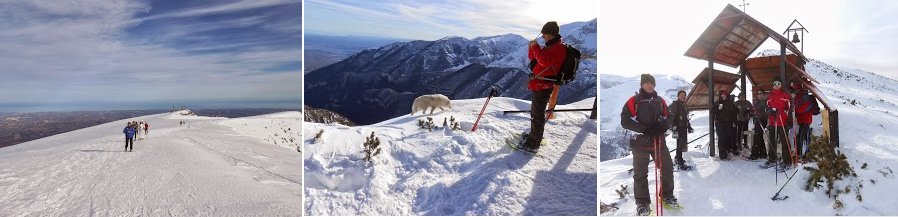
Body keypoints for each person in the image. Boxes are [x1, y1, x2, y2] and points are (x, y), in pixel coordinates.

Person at [621, 74, 678, 215]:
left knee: (667, 168)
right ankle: (642, 203)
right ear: (641, 85)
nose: (649, 85)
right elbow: (625, 120)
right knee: (640, 174)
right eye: (646, 83)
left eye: (651, 83)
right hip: (640, 144)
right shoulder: (633, 101)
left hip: (658, 142)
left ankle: (667, 196)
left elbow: (669, 115)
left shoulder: (660, 101)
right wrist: (645, 129)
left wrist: (664, 126)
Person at [517, 21, 567, 154]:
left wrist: (536, 47)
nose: (542, 36)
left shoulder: (558, 48)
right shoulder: (550, 46)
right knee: (535, 113)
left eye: (544, 34)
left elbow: (544, 61)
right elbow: (534, 58)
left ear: (549, 34)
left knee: (537, 115)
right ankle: (534, 137)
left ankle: (533, 144)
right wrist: (532, 48)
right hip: (540, 83)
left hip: (544, 85)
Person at [762, 81, 793, 170]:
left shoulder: (786, 95)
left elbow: (790, 108)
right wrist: (770, 111)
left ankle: (787, 161)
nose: (775, 85)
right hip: (773, 122)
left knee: (784, 142)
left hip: (783, 122)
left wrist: (787, 117)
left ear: (781, 85)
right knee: (772, 142)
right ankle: (772, 159)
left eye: (778, 83)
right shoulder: (770, 95)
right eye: (774, 84)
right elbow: (766, 107)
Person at [668, 90, 693, 170]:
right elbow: (670, 116)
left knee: (681, 144)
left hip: (683, 127)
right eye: (681, 95)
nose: (683, 96)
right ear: (678, 96)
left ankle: (677, 158)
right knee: (680, 145)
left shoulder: (684, 105)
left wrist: (689, 127)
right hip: (678, 128)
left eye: (684, 95)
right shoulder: (675, 105)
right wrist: (673, 127)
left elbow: (686, 118)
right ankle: (680, 162)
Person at [793, 83, 817, 160]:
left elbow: (803, 109)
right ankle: (806, 153)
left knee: (802, 136)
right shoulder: (798, 98)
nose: (796, 91)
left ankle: (802, 154)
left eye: (796, 89)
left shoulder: (806, 97)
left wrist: (796, 109)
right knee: (805, 137)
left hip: (806, 120)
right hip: (802, 120)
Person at [713, 90, 737, 159]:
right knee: (721, 138)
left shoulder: (730, 103)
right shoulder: (717, 103)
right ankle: (722, 155)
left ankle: (727, 152)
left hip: (728, 122)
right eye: (722, 95)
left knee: (728, 137)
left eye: (725, 94)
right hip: (719, 122)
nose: (723, 96)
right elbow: (712, 112)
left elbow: (734, 113)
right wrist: (717, 108)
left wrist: (734, 122)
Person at [749, 90, 769, 160]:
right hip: (757, 121)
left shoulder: (765, 102)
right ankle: (763, 153)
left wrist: (758, 114)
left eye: (761, 93)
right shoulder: (757, 102)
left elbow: (766, 113)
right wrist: (752, 111)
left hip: (762, 121)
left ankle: (754, 154)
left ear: (764, 94)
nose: (759, 95)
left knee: (757, 137)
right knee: (759, 137)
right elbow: (753, 111)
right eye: (758, 94)